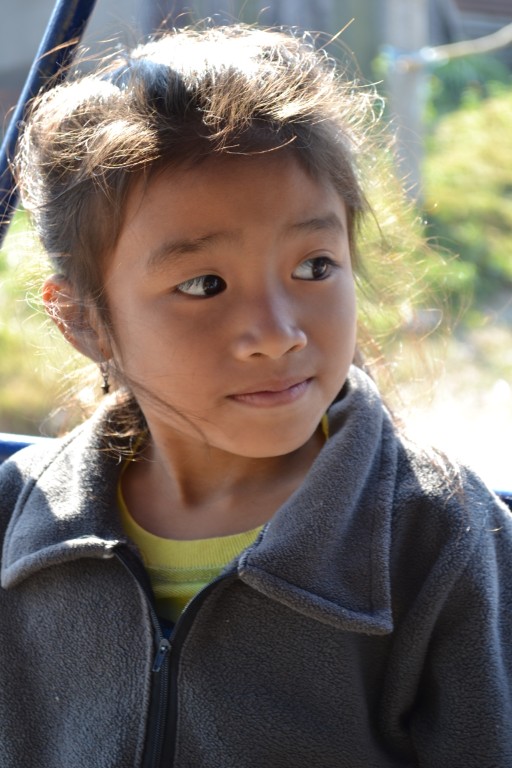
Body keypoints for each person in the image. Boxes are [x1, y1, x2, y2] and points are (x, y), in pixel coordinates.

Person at [1, 23, 511, 768]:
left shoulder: (438, 538)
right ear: (83, 321)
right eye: (204, 284)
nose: (276, 334)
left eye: (314, 267)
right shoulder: (18, 520)